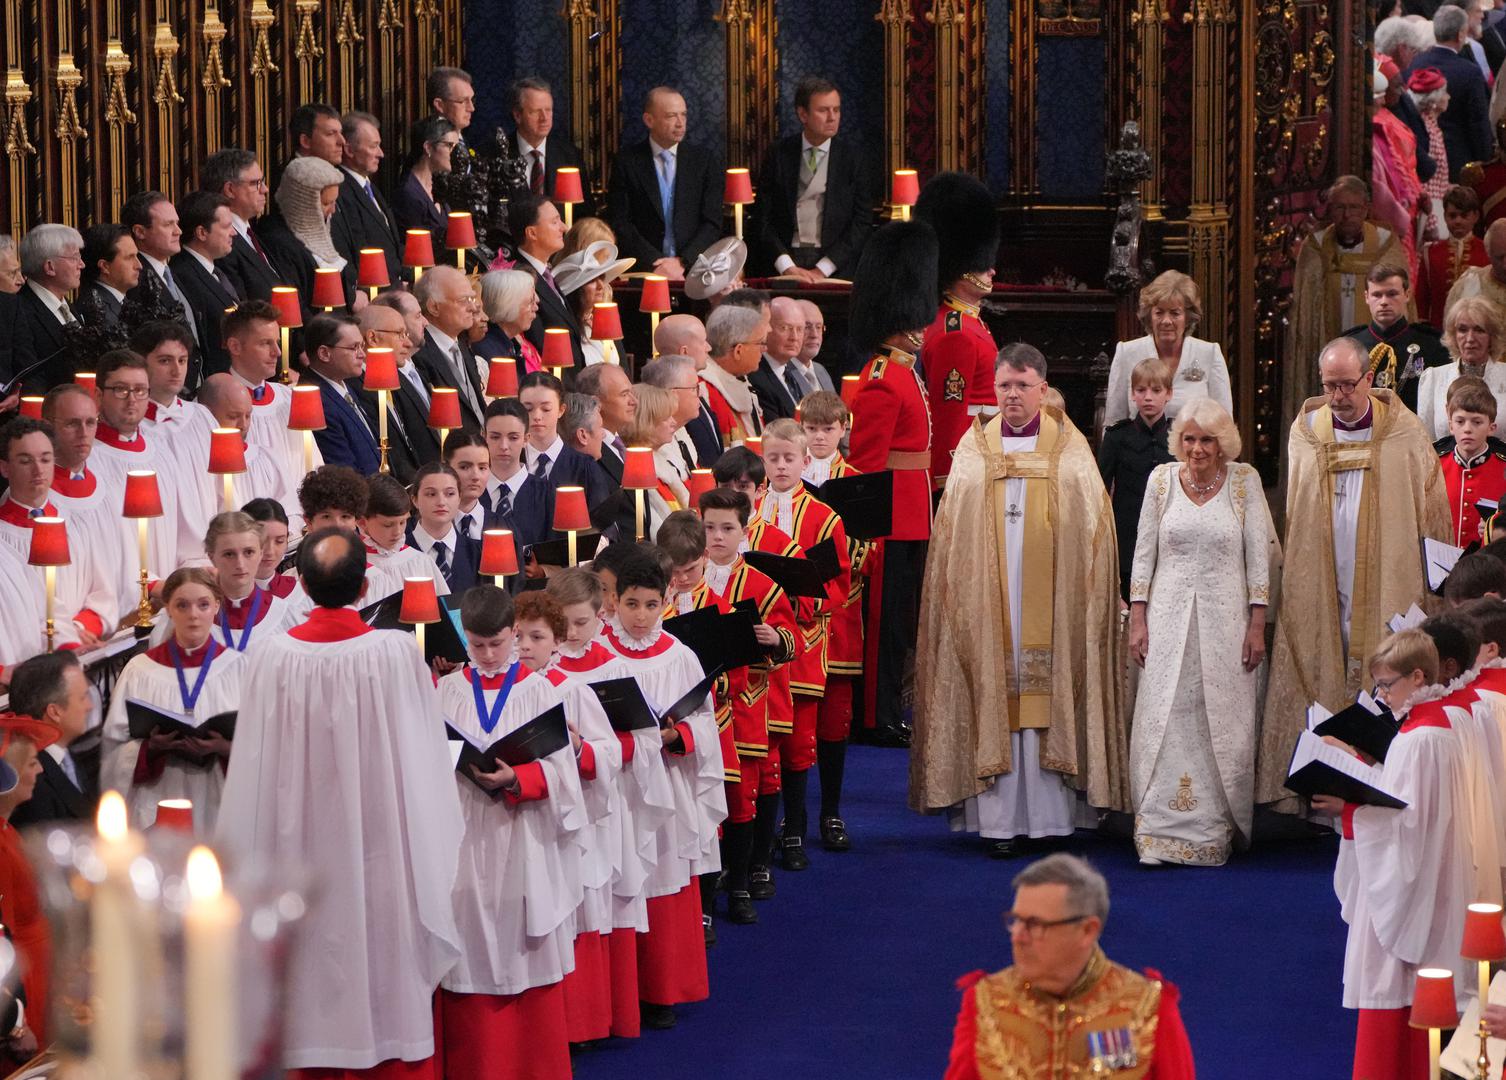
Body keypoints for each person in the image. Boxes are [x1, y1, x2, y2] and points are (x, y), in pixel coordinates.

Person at [218, 527, 464, 1076]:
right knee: (383, 943)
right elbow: (424, 759)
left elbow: (252, 765)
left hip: (294, 838)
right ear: (364, 587)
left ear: (301, 582)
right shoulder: (397, 653)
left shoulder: (271, 654)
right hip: (381, 834)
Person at [913, 343, 1125, 857]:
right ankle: (999, 823)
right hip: (988, 602)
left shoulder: (1069, 449)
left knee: (1045, 692)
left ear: (1043, 389)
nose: (1011, 395)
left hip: (1051, 601)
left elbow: (1092, 528)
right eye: (1003, 385)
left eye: (1022, 386)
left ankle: (1052, 820)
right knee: (996, 691)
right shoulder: (974, 449)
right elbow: (952, 535)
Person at [1259, 336, 1452, 807]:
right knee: (1321, 657)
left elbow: (1432, 511)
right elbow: (1297, 508)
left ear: (1369, 379)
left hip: (1388, 573)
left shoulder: (1404, 432)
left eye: (1348, 385)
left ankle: (1381, 788)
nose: (1339, 396)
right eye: (1330, 386)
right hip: (1323, 573)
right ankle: (1311, 792)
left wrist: (1437, 588)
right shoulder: (1306, 431)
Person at [433, 585, 583, 1080]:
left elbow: (566, 776)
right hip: (464, 837)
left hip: (525, 838)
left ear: (513, 634)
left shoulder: (540, 691)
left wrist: (521, 778)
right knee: (467, 950)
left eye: (497, 643)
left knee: (522, 952)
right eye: (477, 646)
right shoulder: (448, 690)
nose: (489, 655)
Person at [1311, 629, 1474, 1080]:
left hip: (1415, 895)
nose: (1379, 697)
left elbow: (1410, 829)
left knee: (1397, 1016)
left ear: (1418, 676)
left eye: (1386, 685)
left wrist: (1350, 811)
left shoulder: (1422, 738)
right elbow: (1410, 805)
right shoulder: (1431, 724)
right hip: (1433, 883)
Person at [1126, 400, 1275, 866]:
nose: (1197, 449)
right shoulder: (1160, 481)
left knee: (1220, 719)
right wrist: (1137, 615)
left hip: (1227, 623)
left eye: (1207, 439)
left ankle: (1213, 827)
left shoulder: (1245, 483)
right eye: (1189, 439)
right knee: (1165, 715)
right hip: (1167, 620)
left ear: (1223, 442)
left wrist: (1257, 625)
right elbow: (1143, 552)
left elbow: (1258, 559)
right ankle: (1156, 827)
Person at [547, 566, 672, 1038]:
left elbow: (643, 740)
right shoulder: (541, 668)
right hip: (556, 808)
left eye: (581, 622)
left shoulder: (616, 668)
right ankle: (567, 1021)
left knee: (607, 899)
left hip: (608, 802)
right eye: (562, 623)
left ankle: (607, 1014)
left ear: (601, 617)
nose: (570, 634)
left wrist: (590, 751)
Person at [602, 547, 724, 1029]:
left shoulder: (680, 655)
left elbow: (707, 723)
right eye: (631, 604)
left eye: (651, 605)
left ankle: (660, 990)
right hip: (616, 786)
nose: (641, 615)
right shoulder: (599, 653)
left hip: (666, 786)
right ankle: (618, 993)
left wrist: (679, 734)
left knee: (663, 876)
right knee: (618, 882)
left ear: (667, 599)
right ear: (613, 602)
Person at [943, 854, 1195, 1079]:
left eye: (1035, 924)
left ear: (1087, 931)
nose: (1018, 936)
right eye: (1016, 921)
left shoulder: (1147, 1006)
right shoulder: (986, 1000)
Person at [512, 590, 620, 1045]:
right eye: (517, 635)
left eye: (536, 637)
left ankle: (575, 1027)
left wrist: (578, 747)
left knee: (568, 919)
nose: (524, 646)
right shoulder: (502, 690)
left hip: (567, 829)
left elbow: (610, 753)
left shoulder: (571, 690)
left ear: (557, 641)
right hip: (518, 829)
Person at [846, 221, 938, 748]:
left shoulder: (905, 370)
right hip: (887, 519)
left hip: (911, 511)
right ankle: (873, 716)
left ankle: (884, 711)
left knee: (899, 621)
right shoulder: (882, 376)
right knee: (883, 624)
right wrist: (866, 531)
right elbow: (866, 463)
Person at [102, 567, 244, 832]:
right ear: (168, 608)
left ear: (216, 606)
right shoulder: (140, 670)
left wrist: (225, 748)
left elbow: (261, 747)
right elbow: (112, 747)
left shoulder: (238, 669)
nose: (193, 615)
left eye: (203, 605)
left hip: (217, 795)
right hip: (158, 793)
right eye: (182, 605)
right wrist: (150, 749)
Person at [1285, 177, 1408, 427]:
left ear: (1366, 209)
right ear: (1330, 211)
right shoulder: (1317, 246)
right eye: (1339, 208)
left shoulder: (1385, 243)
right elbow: (1306, 309)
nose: (1347, 215)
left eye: (1354, 207)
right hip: (1327, 340)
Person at [0, 413, 128, 645]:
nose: (38, 470)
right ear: (5, 468)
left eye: (46, 459)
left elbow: (103, 594)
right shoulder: (4, 539)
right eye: (26, 461)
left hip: (83, 650)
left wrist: (78, 629)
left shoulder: (77, 524)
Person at [915, 171, 1001, 490]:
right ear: (961, 267)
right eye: (982, 264)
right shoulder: (957, 333)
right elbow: (948, 416)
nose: (991, 269)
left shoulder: (967, 322)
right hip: (966, 472)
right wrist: (947, 483)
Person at [753, 76, 872, 281]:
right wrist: (786, 266)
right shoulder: (779, 154)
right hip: (784, 260)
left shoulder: (853, 158)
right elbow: (763, 218)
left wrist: (823, 269)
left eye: (836, 109)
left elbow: (862, 221)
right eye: (823, 110)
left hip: (835, 264)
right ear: (803, 114)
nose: (832, 117)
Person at [606, 86, 723, 281]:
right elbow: (620, 221)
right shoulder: (627, 161)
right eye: (671, 116)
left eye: (683, 115)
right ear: (649, 120)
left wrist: (682, 262)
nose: (680, 123)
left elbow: (712, 221)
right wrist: (656, 262)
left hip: (693, 271)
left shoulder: (704, 161)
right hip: (645, 270)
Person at [1105, 270, 1233, 428]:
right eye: (1159, 312)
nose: (1166, 321)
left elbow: (1225, 424)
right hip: (1139, 451)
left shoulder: (1209, 354)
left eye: (1175, 313)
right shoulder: (1127, 353)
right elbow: (1113, 424)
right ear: (1149, 316)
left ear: (1187, 317)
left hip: (1194, 452)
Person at [0, 711, 57, 1045]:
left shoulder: (7, 831)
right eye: (33, 763)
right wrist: (16, 1023)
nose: (40, 770)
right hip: (25, 982)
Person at [1098, 358, 1176, 600]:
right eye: (1141, 390)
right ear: (1132, 394)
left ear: (1169, 394)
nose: (1148, 397)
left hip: (1170, 533)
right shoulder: (1116, 437)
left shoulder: (1181, 435)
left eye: (1156, 390)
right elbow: (1101, 487)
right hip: (1128, 535)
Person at [1346, 262, 1451, 410]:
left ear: (1407, 295)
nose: (1384, 302)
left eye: (1392, 294)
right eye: (1377, 295)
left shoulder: (1432, 345)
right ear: (1366, 297)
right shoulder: (1350, 346)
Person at [5, 651, 94, 826]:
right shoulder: (31, 781)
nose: (89, 706)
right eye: (83, 698)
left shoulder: (65, 754)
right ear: (55, 712)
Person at [1409, 4, 1494, 175]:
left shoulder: (1415, 64)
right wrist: (1487, 158)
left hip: (1420, 156)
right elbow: (1478, 122)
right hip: (1460, 161)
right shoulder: (1469, 72)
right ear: (1461, 34)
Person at [260, 154, 353, 311]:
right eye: (326, 203)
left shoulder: (326, 230)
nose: (333, 210)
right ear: (303, 203)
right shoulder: (278, 241)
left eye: (334, 202)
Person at [509, 194, 586, 374]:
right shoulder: (521, 278)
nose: (564, 228)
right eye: (554, 222)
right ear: (532, 233)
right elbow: (538, 341)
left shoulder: (545, 273)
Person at [170, 191, 244, 376]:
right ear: (202, 232)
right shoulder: (184, 274)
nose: (234, 233)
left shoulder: (216, 269)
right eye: (227, 226)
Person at [331, 111, 404, 289]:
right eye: (374, 146)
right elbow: (355, 249)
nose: (381, 154)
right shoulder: (340, 192)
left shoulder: (369, 187)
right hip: (375, 293)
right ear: (348, 149)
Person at [303, 313, 381, 475]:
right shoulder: (315, 401)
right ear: (324, 353)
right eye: (354, 347)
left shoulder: (344, 384)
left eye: (362, 346)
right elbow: (344, 470)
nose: (362, 354)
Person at [1418, 296, 1506, 438]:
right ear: (1453, 335)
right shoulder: (1433, 379)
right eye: (1462, 330)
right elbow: (1424, 443)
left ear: (1492, 336)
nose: (1470, 338)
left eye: (1479, 330)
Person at [508, 75, 597, 215]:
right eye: (536, 111)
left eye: (548, 110)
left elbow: (585, 213)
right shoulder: (496, 155)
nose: (544, 118)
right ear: (518, 115)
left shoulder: (569, 156)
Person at [13, 224, 85, 391]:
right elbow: (29, 376)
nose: (81, 264)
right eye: (75, 257)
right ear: (50, 267)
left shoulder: (69, 307)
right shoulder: (20, 310)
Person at [413, 265, 486, 429]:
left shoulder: (461, 343)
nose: (473, 308)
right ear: (434, 307)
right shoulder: (419, 354)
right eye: (463, 300)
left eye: (472, 299)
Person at [1435, 375, 1506, 543]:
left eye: (1477, 422)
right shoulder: (1433, 465)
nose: (1467, 429)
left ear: (1491, 428)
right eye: (1460, 421)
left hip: (1491, 565)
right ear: (1451, 426)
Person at [359, 473, 449, 604]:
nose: (398, 532)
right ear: (362, 522)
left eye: (402, 522)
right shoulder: (354, 569)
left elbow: (446, 611)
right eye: (388, 525)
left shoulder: (419, 561)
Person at [699, 302, 769, 447]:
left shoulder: (742, 379)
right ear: (738, 351)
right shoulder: (703, 391)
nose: (764, 349)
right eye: (760, 343)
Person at [406, 461, 481, 594]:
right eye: (431, 494)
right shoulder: (402, 552)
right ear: (415, 500)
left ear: (459, 498)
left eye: (450, 494)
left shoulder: (477, 552)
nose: (441, 502)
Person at [1417, 184, 1487, 325]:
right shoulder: (1430, 253)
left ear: (1476, 216)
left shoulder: (1488, 251)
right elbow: (1422, 299)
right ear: (1444, 216)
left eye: (1464, 215)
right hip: (1437, 333)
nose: (1458, 221)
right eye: (1452, 215)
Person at [394, 115, 458, 259]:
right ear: (428, 147)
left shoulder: (439, 184)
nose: (456, 153)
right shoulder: (408, 193)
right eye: (450, 146)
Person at [748, 296, 812, 422]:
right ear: (766, 328)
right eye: (785, 328)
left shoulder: (792, 371)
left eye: (799, 329)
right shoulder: (756, 377)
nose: (794, 337)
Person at [1408, 68, 1454, 242]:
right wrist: (1432, 221)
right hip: (1431, 208)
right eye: (1445, 93)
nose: (1449, 97)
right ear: (1434, 100)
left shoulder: (1431, 125)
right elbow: (1425, 179)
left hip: (1439, 202)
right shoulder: (1426, 130)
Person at [75, 222, 139, 335]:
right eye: (129, 257)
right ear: (105, 266)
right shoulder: (97, 310)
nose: (139, 265)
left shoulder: (121, 301)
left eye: (136, 256)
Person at [477, 268, 543, 374]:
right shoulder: (489, 352)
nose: (536, 308)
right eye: (530, 302)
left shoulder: (507, 344)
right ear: (507, 307)